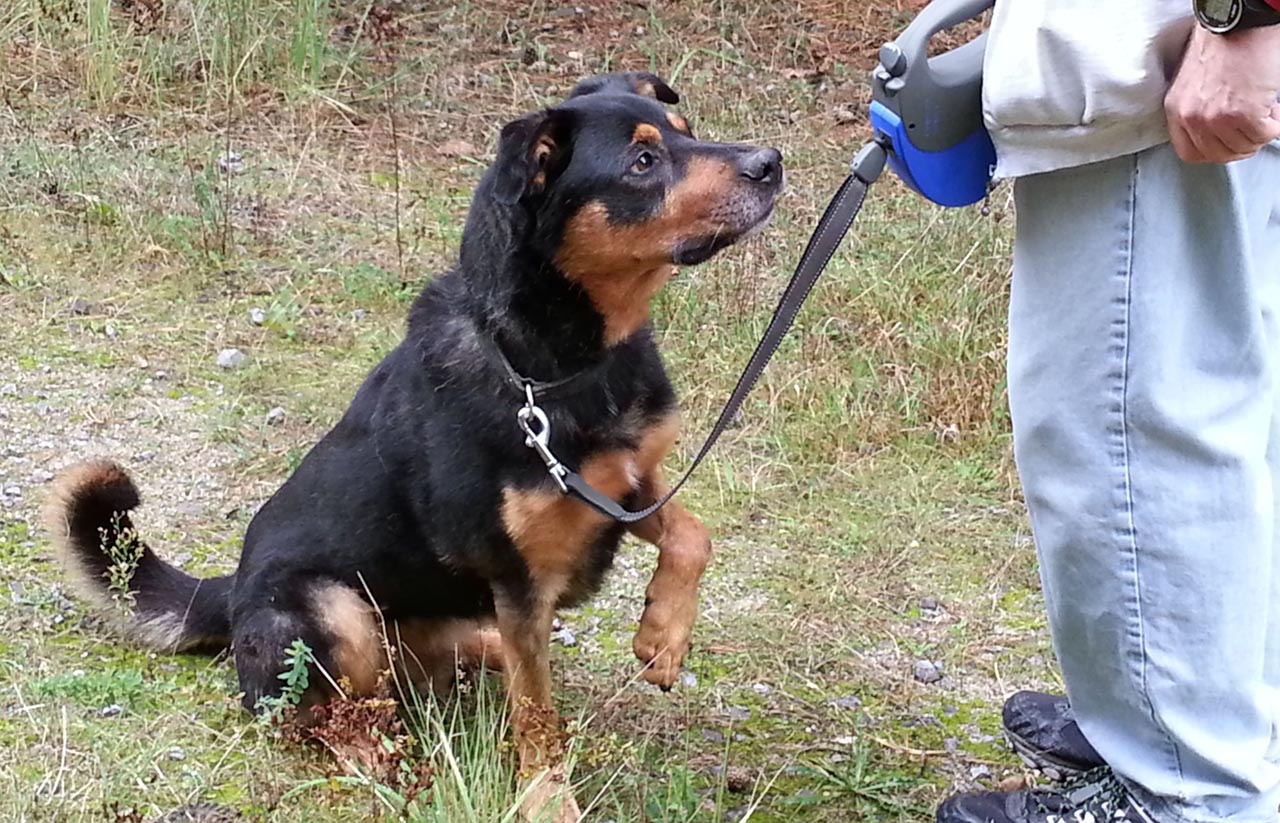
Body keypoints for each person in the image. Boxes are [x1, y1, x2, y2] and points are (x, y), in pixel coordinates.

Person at [934, 2, 1280, 822]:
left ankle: (1187, 788)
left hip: (1164, 76)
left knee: (1136, 434)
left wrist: (1244, 22)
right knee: (1238, 413)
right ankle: (1215, 724)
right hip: (1177, 66)